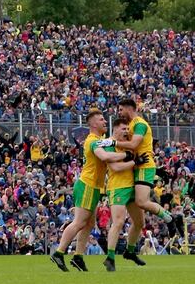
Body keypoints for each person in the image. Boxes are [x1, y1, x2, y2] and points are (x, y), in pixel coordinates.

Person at [50, 110, 135, 272]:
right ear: (94, 124)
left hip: (94, 187)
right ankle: (59, 253)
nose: (105, 122)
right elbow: (104, 157)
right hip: (87, 185)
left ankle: (78, 257)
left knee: (89, 224)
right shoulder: (93, 141)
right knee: (79, 222)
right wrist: (127, 155)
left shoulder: (100, 140)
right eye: (102, 119)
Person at [114, 97, 173, 266]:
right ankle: (129, 251)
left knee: (141, 202)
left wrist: (113, 141)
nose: (119, 113)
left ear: (129, 108)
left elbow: (133, 145)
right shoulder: (131, 126)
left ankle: (169, 218)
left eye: (120, 109)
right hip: (133, 171)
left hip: (143, 167)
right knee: (139, 222)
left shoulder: (139, 123)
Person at [103, 117, 142, 272]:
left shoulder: (128, 144)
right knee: (118, 222)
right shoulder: (109, 144)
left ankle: (130, 251)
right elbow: (116, 168)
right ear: (116, 129)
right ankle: (110, 257)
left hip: (132, 186)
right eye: (124, 129)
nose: (127, 132)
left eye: (128, 129)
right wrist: (135, 162)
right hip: (117, 187)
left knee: (139, 223)